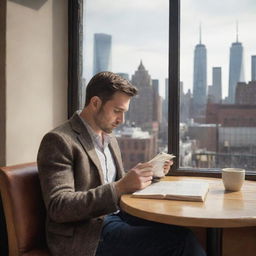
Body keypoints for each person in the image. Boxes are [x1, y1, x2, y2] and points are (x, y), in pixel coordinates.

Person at [37, 71, 206, 256]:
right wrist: (119, 188)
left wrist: (151, 174)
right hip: (87, 233)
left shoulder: (109, 138)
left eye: (124, 112)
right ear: (95, 103)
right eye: (117, 111)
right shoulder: (59, 140)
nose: (121, 120)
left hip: (118, 217)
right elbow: (59, 207)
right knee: (179, 242)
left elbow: (113, 181)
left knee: (182, 230)